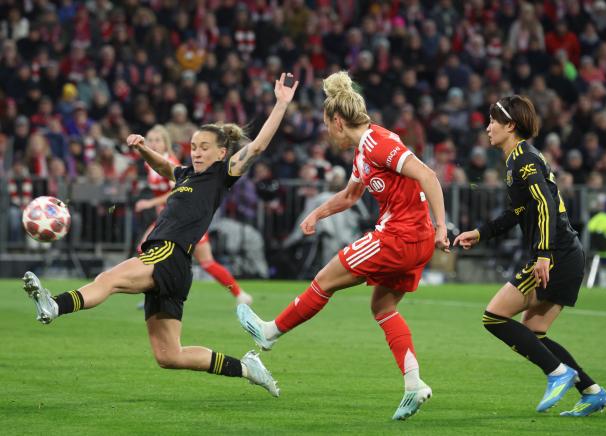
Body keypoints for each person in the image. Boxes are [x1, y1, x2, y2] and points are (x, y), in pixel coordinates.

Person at [22, 73, 299, 396]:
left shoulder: (221, 175)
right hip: (176, 266)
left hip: (168, 252)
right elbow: (166, 168)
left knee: (108, 279)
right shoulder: (185, 175)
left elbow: (259, 145)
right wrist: (142, 149)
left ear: (222, 153)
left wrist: (281, 103)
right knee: (169, 356)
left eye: (204, 148)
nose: (196, 153)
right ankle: (247, 368)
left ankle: (54, 305)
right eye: (193, 147)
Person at [235, 71, 450, 420]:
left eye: (326, 126)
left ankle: (269, 332)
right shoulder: (364, 153)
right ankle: (414, 384)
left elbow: (428, 175)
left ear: (337, 121)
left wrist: (442, 226)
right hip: (413, 241)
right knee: (383, 308)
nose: (326, 134)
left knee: (325, 279)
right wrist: (316, 214)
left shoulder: (378, 143)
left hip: (400, 237)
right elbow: (350, 196)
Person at [453, 95, 606, 416]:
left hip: (555, 256)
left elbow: (545, 205)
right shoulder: (519, 160)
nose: (488, 128)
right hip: (566, 254)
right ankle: (592, 391)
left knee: (493, 317)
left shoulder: (524, 160)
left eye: (493, 121)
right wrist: (481, 233)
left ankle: (558, 373)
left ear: (510, 125)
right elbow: (516, 213)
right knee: (534, 334)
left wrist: (542, 254)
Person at [134, 124, 253, 305]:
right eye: (150, 140)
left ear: (165, 143)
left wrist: (151, 203)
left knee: (205, 262)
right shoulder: (150, 163)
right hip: (170, 222)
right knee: (149, 250)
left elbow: (180, 189)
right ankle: (154, 290)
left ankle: (239, 293)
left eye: (157, 140)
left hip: (187, 221)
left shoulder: (174, 163)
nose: (154, 143)